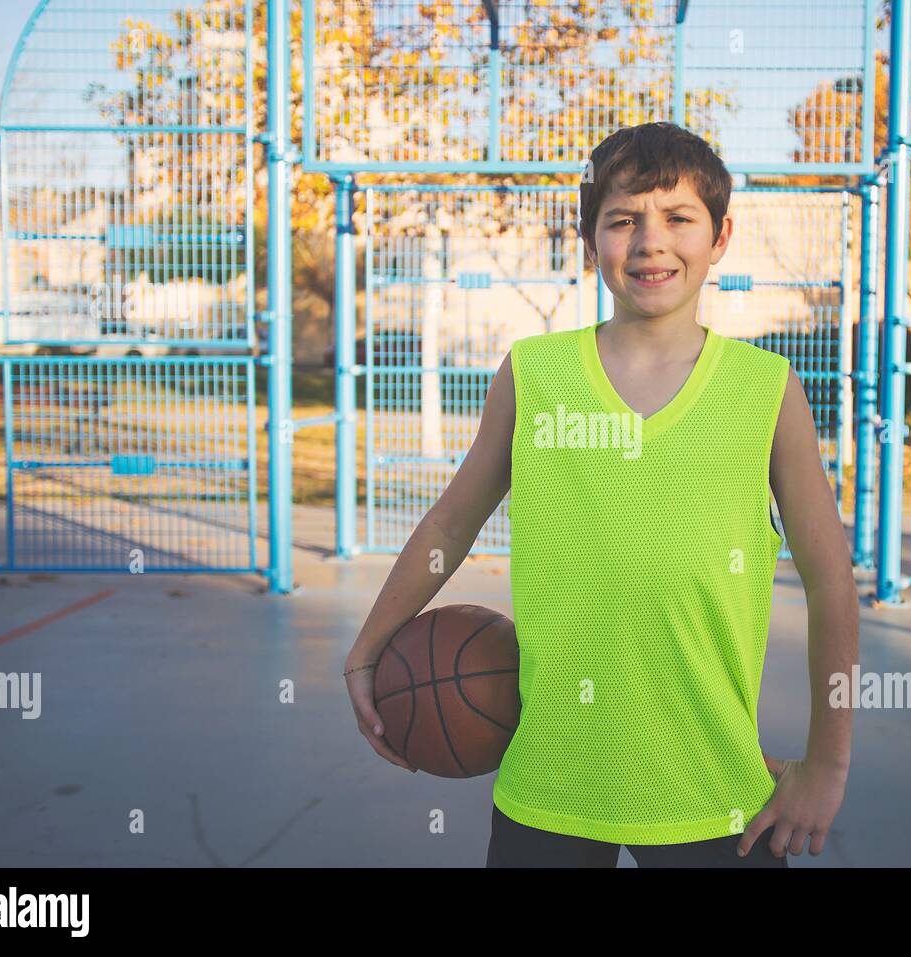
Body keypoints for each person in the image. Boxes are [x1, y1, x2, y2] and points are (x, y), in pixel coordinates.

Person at [345, 121, 859, 868]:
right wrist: (366, 648)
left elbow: (831, 583)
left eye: (679, 218)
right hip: (552, 775)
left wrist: (829, 763)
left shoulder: (766, 389)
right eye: (623, 220)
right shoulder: (533, 373)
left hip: (713, 786)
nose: (651, 241)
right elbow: (450, 523)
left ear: (720, 238)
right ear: (590, 245)